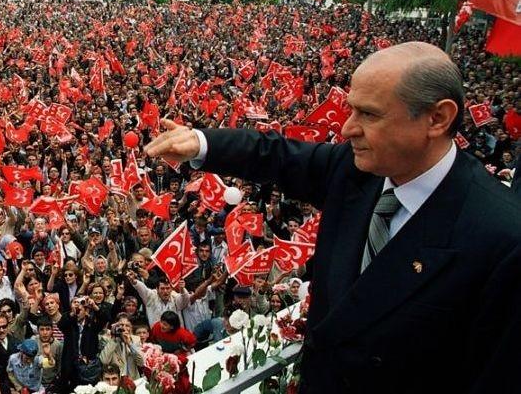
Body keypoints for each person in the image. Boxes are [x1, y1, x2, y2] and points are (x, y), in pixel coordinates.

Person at [145, 41, 521, 393]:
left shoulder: (501, 239)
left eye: (369, 114)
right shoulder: (357, 169)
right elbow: (276, 155)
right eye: (352, 108)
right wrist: (201, 144)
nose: (347, 128)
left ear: (437, 118)